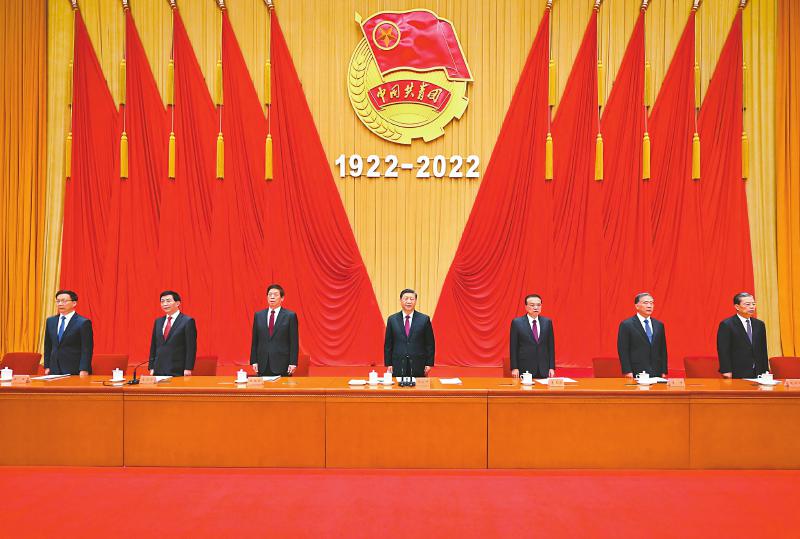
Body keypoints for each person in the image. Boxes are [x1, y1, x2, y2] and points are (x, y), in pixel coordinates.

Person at [384, 288, 435, 377]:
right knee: (398, 385)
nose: (409, 301)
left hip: (418, 363)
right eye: (406, 298)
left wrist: (429, 363)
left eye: (412, 299)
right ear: (401, 300)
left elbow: (430, 343)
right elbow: (388, 344)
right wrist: (389, 363)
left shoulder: (424, 319)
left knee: (417, 385)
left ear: (415, 301)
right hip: (398, 363)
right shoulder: (392, 319)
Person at [717, 292, 769, 378]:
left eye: (753, 304)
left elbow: (763, 349)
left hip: (758, 371)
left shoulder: (759, 324)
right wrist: (726, 370)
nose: (752, 307)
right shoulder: (727, 324)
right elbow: (723, 350)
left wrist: (765, 370)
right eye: (747, 304)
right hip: (737, 371)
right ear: (737, 306)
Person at [250, 284, 298, 376]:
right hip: (262, 363)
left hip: (282, 363)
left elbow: (294, 342)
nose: (272, 297)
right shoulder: (258, 315)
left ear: (282, 298)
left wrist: (293, 363)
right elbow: (255, 341)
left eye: (275, 294)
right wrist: (254, 361)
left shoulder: (290, 316)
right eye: (270, 294)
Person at [43, 290, 93, 376]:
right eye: (58, 301)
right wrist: (47, 366)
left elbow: (87, 348)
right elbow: (48, 345)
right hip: (54, 369)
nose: (60, 304)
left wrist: (84, 369)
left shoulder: (83, 322)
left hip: (74, 369)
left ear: (74, 303)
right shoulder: (51, 321)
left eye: (64, 301)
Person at [617, 292, 668, 378]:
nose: (649, 306)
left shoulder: (659, 325)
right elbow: (623, 350)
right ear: (637, 306)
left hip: (656, 371)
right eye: (646, 303)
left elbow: (663, 349)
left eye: (651, 303)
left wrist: (664, 371)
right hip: (636, 371)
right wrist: (627, 371)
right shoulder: (627, 325)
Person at [148, 290, 197, 376]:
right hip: (158, 369)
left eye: (168, 301)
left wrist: (188, 368)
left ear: (177, 303)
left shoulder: (187, 321)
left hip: (178, 369)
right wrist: (151, 367)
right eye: (162, 301)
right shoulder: (158, 322)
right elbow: (154, 346)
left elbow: (191, 347)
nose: (165, 304)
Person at [509, 294, 555, 378]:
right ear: (526, 307)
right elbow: (513, 347)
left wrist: (551, 367)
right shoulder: (517, 323)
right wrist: (514, 367)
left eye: (538, 305)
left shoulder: (547, 322)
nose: (536, 307)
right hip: (524, 367)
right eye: (532, 305)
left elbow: (550, 346)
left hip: (543, 368)